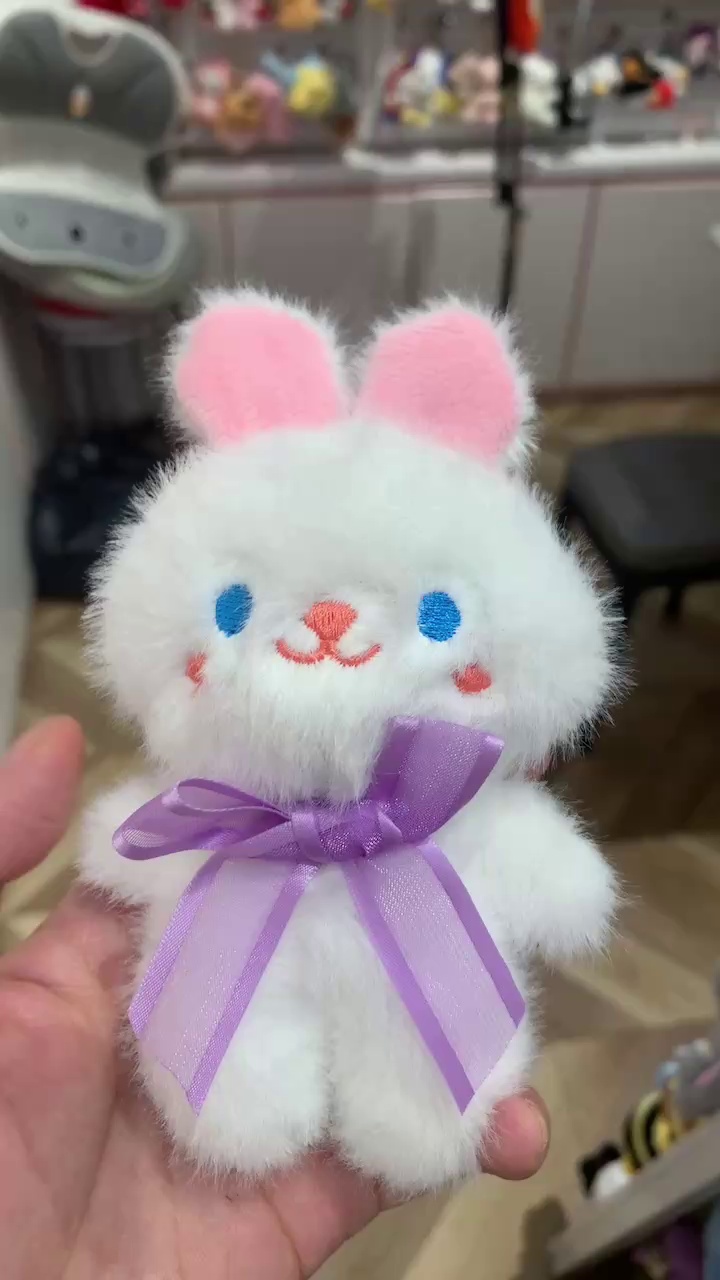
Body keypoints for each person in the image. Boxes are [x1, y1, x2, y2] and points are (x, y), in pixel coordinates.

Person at [0, 718, 550, 1279]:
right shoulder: (228, 811)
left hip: (353, 882)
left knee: (410, 1033)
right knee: (235, 1025)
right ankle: (243, 1105)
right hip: (250, 876)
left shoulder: (444, 805)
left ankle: (414, 1106)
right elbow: (137, 837)